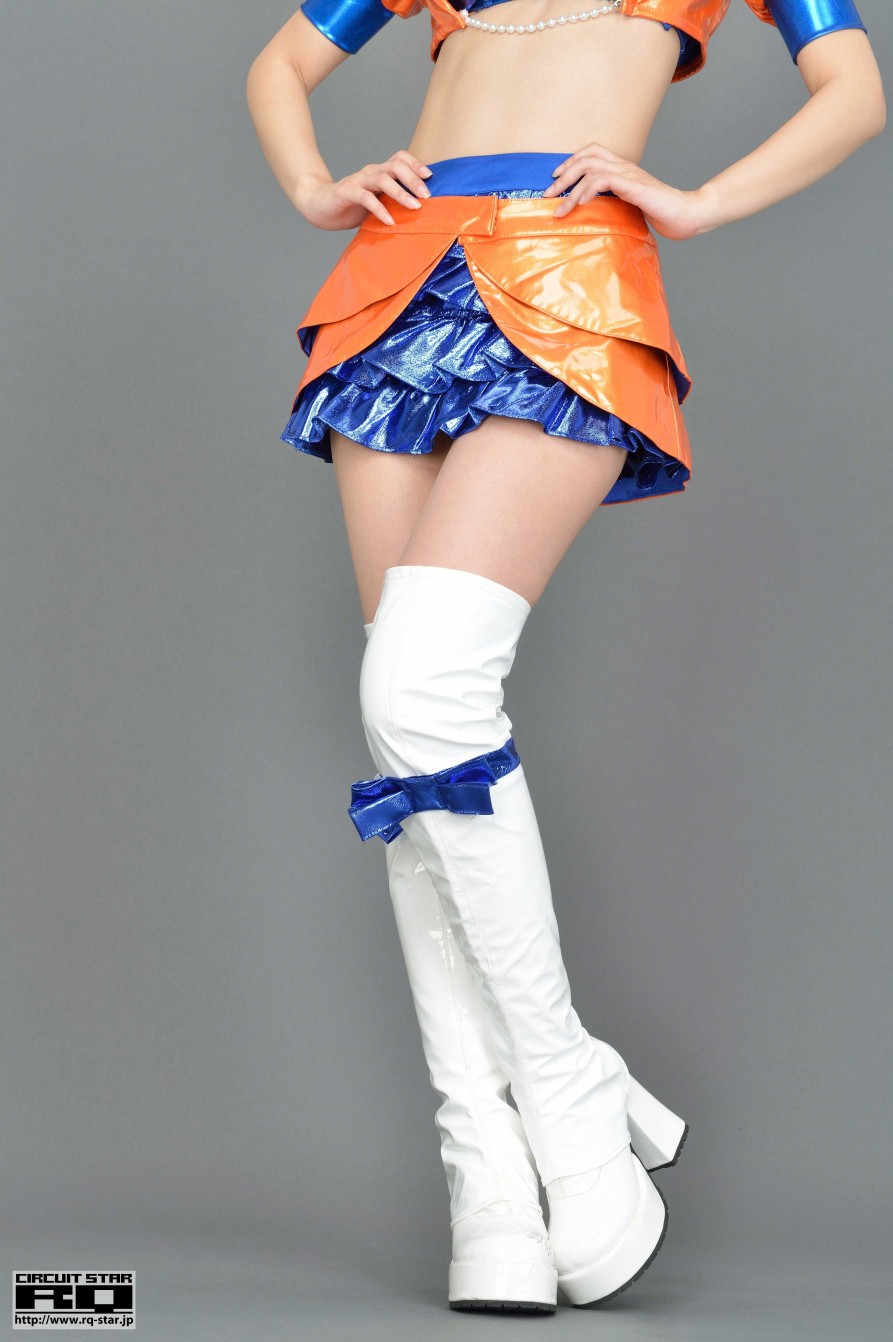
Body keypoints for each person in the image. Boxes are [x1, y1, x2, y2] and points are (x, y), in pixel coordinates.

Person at [246, 0, 885, 1313]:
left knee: (422, 689)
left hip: (571, 282)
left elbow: (854, 90)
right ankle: (486, 1180)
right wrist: (313, 186)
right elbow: (283, 61)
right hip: (391, 286)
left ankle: (566, 1089)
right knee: (408, 738)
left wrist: (698, 203)